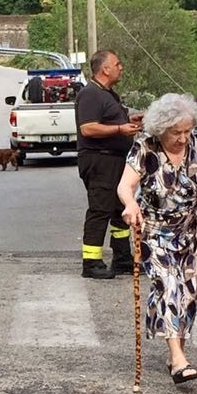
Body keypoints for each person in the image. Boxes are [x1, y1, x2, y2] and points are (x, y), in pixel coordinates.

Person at [118, 94, 197, 384]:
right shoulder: (145, 147)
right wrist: (130, 204)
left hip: (189, 230)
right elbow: (125, 186)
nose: (182, 138)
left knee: (188, 292)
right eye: (176, 132)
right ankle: (178, 359)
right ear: (161, 128)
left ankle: (175, 350)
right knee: (168, 287)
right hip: (152, 229)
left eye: (187, 131)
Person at [75, 49, 142, 278]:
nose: (121, 67)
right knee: (100, 209)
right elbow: (88, 127)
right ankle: (91, 263)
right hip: (99, 159)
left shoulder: (108, 93)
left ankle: (122, 258)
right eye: (117, 63)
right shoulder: (90, 94)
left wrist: (129, 120)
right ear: (105, 69)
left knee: (118, 209)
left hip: (115, 160)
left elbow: (110, 119)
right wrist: (120, 129)